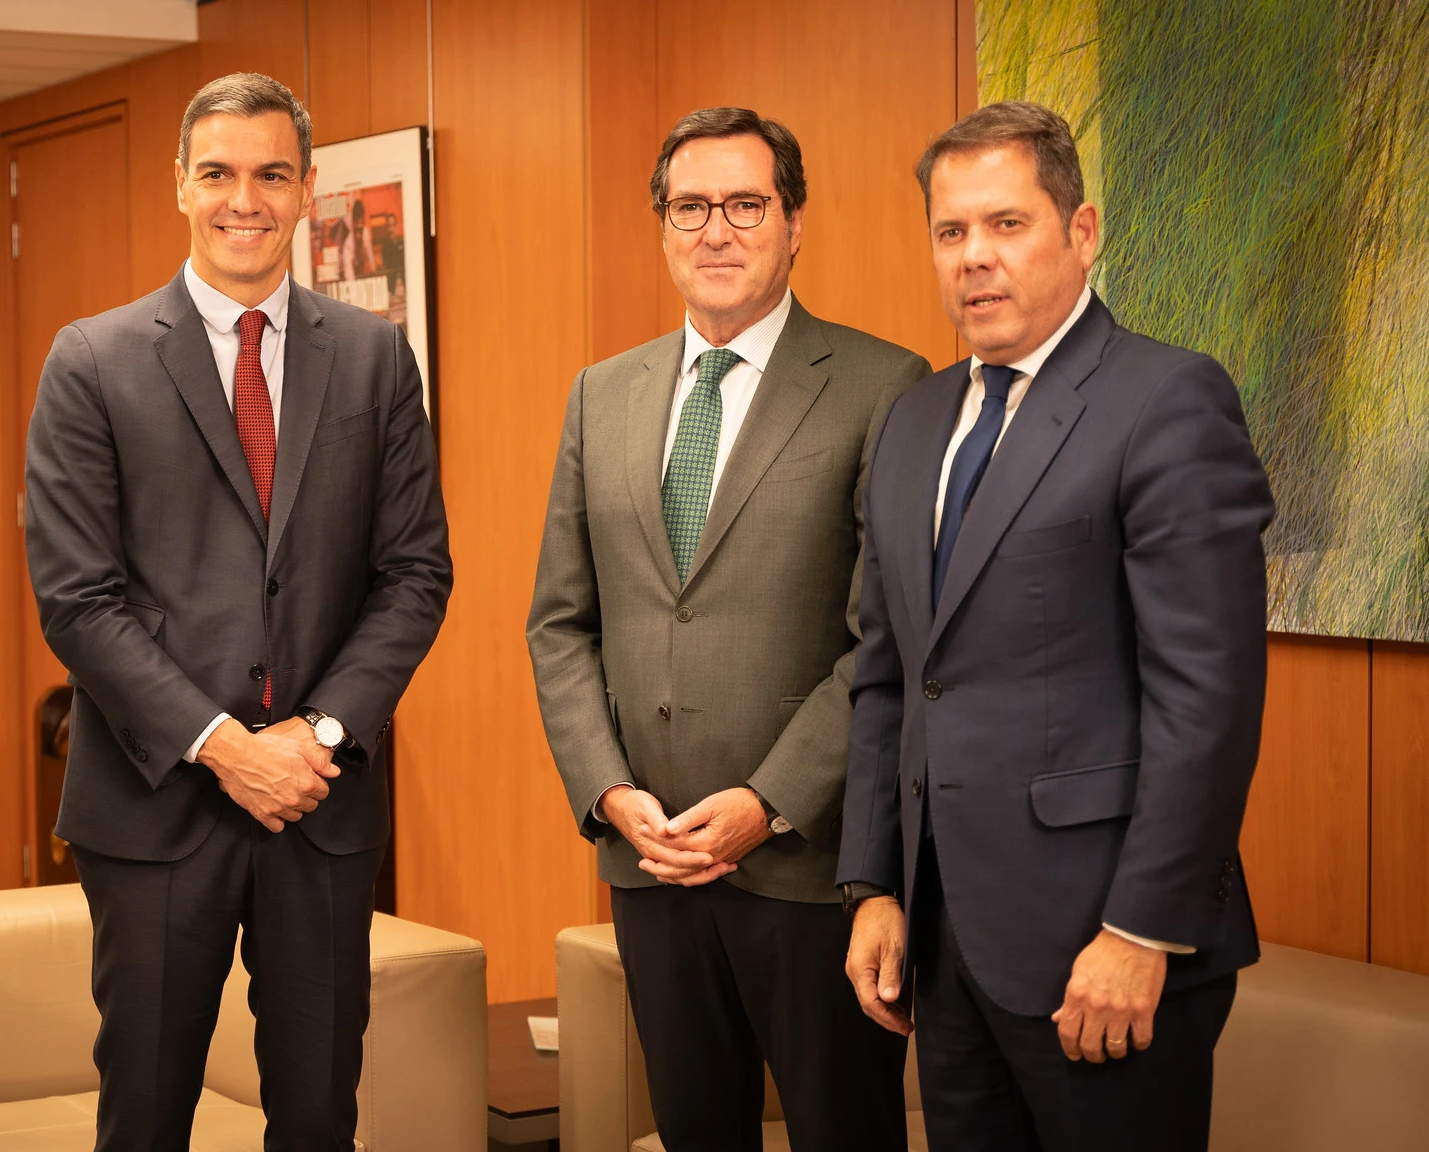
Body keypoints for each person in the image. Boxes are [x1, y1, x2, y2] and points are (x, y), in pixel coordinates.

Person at [22, 72, 451, 1149]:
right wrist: (222, 746)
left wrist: (315, 735)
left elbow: (414, 573)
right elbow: (77, 599)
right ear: (178, 185)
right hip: (154, 810)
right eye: (216, 172)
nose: (242, 199)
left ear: (306, 191)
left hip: (319, 803)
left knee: (317, 1114)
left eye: (270, 174)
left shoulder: (371, 357)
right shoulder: (93, 360)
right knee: (147, 1114)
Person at [837, 101, 1274, 1151]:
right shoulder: (912, 421)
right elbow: (887, 673)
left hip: (1103, 952)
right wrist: (873, 886)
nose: (973, 259)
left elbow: (1204, 698)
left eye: (1006, 224)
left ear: (1080, 234)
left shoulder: (1165, 398)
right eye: (951, 232)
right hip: (943, 949)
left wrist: (1141, 930)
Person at [527, 107, 928, 1151]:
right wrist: (610, 794)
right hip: (648, 866)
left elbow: (884, 640)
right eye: (689, 207)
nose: (716, 231)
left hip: (809, 871)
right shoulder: (598, 396)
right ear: (660, 227)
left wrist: (766, 801)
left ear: (793, 222)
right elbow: (559, 624)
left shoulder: (882, 386)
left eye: (744, 204)